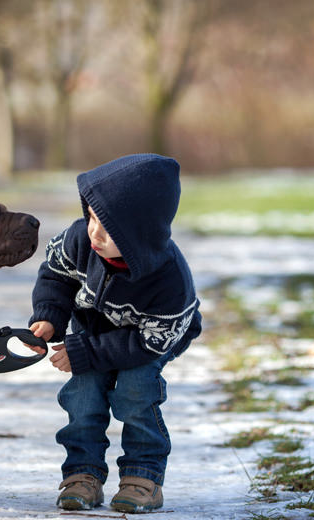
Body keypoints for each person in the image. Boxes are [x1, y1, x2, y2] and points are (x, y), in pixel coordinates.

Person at [28, 153, 202, 513]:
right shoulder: (79, 241)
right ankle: (82, 474)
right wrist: (50, 316)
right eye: (91, 217)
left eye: (109, 228)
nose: (94, 231)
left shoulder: (169, 280)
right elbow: (55, 276)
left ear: (141, 235)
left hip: (152, 337)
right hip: (95, 326)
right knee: (83, 394)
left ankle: (143, 477)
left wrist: (86, 352)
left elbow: (148, 342)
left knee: (137, 391)